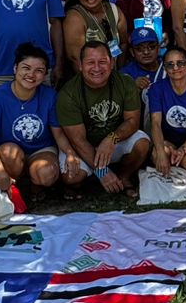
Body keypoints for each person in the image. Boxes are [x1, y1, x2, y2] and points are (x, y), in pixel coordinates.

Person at [0, 43, 83, 199]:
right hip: (10, 151)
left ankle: (35, 187)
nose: (31, 74)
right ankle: (13, 186)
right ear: (15, 69)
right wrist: (0, 173)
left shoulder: (50, 96)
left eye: (39, 71)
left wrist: (70, 153)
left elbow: (58, 133)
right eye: (26, 68)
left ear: (45, 75)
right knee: (8, 153)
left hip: (41, 149)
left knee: (46, 173)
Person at [56, 40, 152, 197]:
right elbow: (78, 140)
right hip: (84, 146)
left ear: (112, 63)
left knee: (142, 143)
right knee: (72, 178)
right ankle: (98, 177)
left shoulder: (125, 82)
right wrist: (102, 171)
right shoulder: (68, 94)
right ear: (80, 65)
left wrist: (111, 139)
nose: (97, 68)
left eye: (102, 62)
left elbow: (133, 121)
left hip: (113, 142)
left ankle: (123, 177)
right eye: (90, 63)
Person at [147, 45, 186, 176]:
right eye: (170, 65)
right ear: (165, 68)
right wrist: (160, 152)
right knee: (157, 155)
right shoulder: (156, 89)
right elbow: (155, 123)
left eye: (180, 63)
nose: (175, 68)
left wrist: (183, 149)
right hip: (168, 138)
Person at [62, 0, 129, 75]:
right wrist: (94, 80)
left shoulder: (114, 10)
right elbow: (75, 58)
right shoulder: (74, 17)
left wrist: (120, 73)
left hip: (115, 75)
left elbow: (124, 43)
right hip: (91, 77)